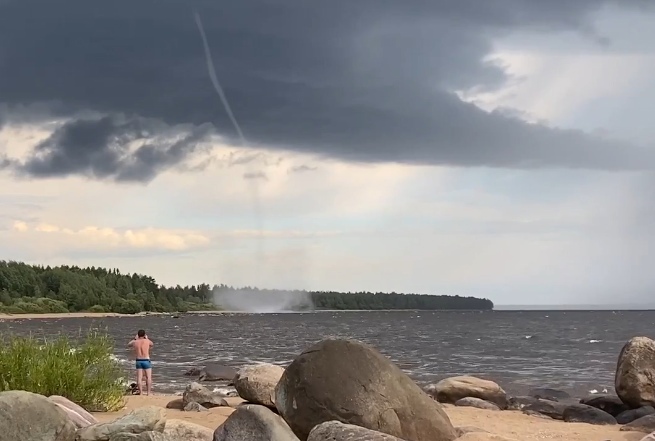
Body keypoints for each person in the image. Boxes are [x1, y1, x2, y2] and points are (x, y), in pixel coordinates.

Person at [127, 329, 153, 395]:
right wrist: (147, 338)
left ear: (138, 335)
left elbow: (129, 344)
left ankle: (141, 393)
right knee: (148, 377)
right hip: (146, 360)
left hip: (139, 360)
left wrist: (135, 339)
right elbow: (152, 344)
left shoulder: (135, 342)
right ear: (144, 335)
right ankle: (148, 393)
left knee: (139, 378)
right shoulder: (147, 341)